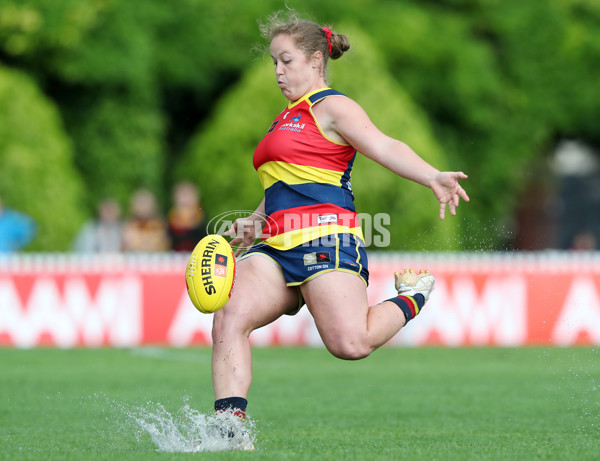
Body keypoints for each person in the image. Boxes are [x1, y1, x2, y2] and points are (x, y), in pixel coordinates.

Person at [209, 11, 469, 448]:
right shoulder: (284, 117)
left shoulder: (332, 107)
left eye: (286, 60)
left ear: (315, 60)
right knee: (229, 316)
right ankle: (229, 428)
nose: (277, 70)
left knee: (351, 343)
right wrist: (256, 219)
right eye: (273, 61)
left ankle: (413, 294)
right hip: (274, 246)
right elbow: (285, 181)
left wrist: (431, 175)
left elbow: (384, 145)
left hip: (325, 240)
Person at [122, 188, 170, 252]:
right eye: (140, 203)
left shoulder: (159, 224)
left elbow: (162, 244)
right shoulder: (129, 225)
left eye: (146, 202)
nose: (143, 206)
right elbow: (129, 245)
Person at [167, 181, 207, 252]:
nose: (185, 200)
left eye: (188, 195)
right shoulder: (172, 218)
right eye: (182, 196)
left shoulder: (201, 216)